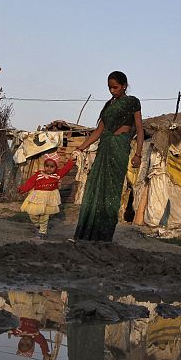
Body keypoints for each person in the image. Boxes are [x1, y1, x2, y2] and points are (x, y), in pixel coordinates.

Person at [72, 71, 144, 241]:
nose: (112, 90)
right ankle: (88, 232)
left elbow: (139, 129)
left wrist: (138, 154)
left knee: (112, 190)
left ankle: (104, 235)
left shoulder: (132, 102)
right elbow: (98, 132)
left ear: (124, 85)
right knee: (94, 186)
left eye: (115, 87)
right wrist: (80, 148)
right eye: (109, 88)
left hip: (119, 147)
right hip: (104, 148)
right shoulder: (108, 106)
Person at [17, 151, 75, 239]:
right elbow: (30, 183)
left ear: (56, 167)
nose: (49, 168)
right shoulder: (38, 174)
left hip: (49, 198)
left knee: (44, 216)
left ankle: (42, 232)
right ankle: (37, 226)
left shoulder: (57, 174)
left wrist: (71, 161)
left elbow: (66, 169)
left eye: (52, 166)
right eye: (47, 166)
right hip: (38, 197)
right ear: (44, 166)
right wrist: (22, 189)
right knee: (32, 213)